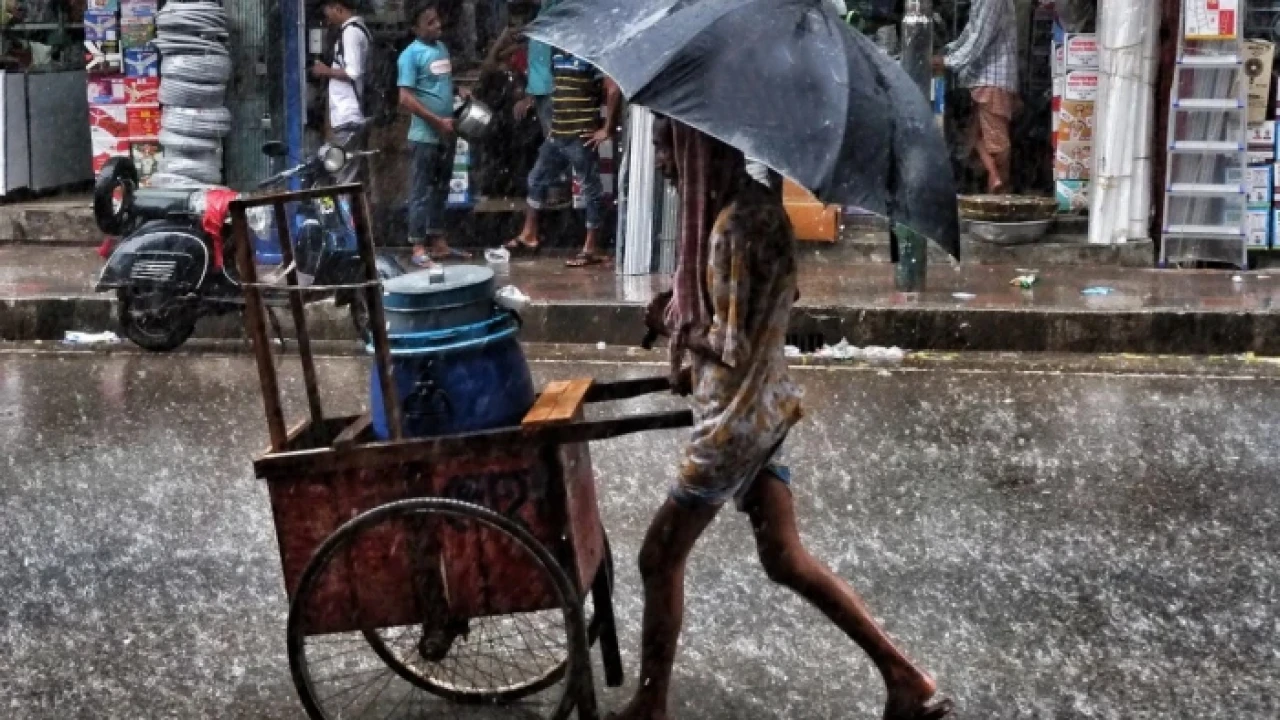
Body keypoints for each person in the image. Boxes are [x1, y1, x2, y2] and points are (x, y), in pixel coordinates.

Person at [612, 118, 953, 720]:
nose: (663, 163)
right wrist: (685, 325)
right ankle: (906, 679)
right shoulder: (759, 210)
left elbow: (732, 344)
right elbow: (770, 308)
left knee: (658, 557)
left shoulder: (734, 227)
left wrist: (674, 325)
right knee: (785, 559)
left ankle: (650, 705)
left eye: (668, 147)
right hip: (768, 408)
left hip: (735, 426)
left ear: (698, 148)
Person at [505, 48, 620, 268]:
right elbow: (558, 92)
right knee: (536, 179)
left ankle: (591, 247)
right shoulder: (557, 58)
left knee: (590, 188)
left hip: (580, 135)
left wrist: (607, 128)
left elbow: (613, 89)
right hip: (558, 133)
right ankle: (529, 234)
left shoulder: (590, 58)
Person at [397, 1, 471, 266]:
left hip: (445, 135)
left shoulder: (441, 49)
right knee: (420, 192)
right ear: (415, 28)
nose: (438, 25)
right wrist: (436, 120)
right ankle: (417, 246)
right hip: (423, 137)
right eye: (430, 23)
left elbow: (439, 84)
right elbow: (405, 98)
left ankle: (438, 241)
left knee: (441, 189)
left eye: (437, 20)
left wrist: (458, 90)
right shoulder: (409, 56)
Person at [934, 0, 1018, 194]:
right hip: (982, 79)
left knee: (995, 146)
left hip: (992, 78)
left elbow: (979, 38)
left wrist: (948, 61)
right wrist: (949, 51)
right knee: (973, 139)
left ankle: (999, 196)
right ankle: (994, 182)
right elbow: (971, 32)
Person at [310, 0, 371, 186]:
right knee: (350, 171)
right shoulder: (357, 30)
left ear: (338, 8)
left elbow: (353, 72)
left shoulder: (351, 32)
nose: (327, 18)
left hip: (348, 114)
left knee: (344, 174)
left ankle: (346, 205)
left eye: (328, 12)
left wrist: (325, 71)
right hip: (349, 114)